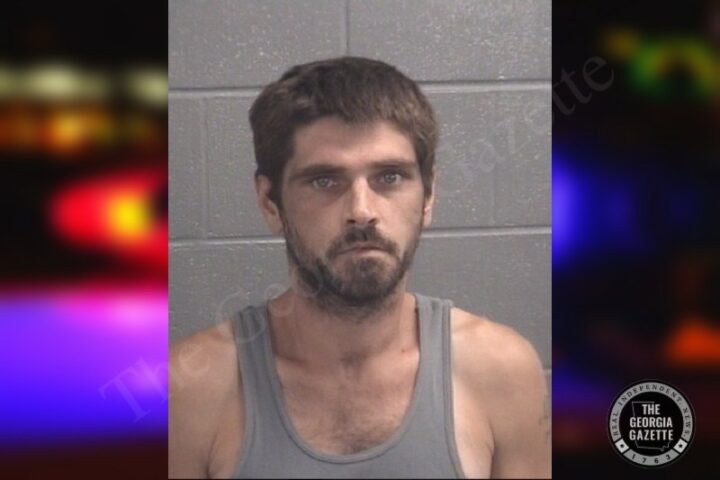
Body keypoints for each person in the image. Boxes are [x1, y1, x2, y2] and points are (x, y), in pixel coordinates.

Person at [169, 57, 550, 479]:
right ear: (269, 203)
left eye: (390, 177)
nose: (362, 211)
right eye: (324, 180)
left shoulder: (499, 370)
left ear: (428, 196)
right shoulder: (191, 388)